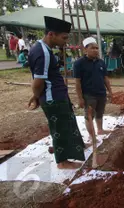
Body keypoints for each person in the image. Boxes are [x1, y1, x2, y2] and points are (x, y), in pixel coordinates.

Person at [28, 16, 85, 169]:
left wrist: (37, 95)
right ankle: (62, 161)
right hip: (52, 97)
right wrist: (36, 96)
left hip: (56, 95)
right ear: (51, 34)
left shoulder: (42, 49)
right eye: (64, 37)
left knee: (67, 124)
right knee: (60, 128)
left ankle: (74, 149)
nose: (65, 41)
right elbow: (38, 81)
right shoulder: (43, 53)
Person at [73, 37, 113, 140]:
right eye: (92, 48)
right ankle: (92, 136)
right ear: (85, 49)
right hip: (89, 94)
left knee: (100, 112)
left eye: (97, 48)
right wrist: (80, 98)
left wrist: (110, 91)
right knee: (89, 115)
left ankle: (100, 130)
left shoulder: (101, 62)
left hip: (101, 93)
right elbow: (77, 82)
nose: (95, 50)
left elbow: (105, 78)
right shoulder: (79, 64)